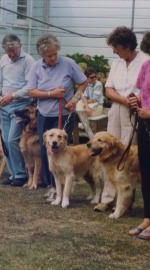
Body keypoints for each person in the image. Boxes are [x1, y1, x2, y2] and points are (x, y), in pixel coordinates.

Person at [95, 26, 149, 212]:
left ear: (126, 46)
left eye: (116, 47)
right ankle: (107, 198)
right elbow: (109, 89)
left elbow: (144, 89)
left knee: (126, 154)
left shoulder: (144, 60)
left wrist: (132, 102)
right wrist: (123, 100)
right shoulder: (117, 63)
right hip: (117, 108)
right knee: (107, 150)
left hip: (134, 111)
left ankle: (125, 199)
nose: (114, 51)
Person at [27, 34, 88, 187]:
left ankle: (63, 185)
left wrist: (74, 100)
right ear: (42, 56)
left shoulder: (68, 63)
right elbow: (31, 91)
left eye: (55, 54)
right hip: (44, 114)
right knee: (45, 150)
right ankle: (51, 185)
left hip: (64, 113)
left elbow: (83, 82)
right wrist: (51, 94)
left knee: (62, 150)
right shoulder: (36, 67)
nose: (53, 58)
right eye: (49, 56)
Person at [0, 33, 35, 186]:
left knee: (13, 139)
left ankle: (21, 174)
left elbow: (30, 86)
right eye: (8, 51)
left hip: (20, 106)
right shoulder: (3, 60)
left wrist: (13, 95)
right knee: (6, 141)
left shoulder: (28, 61)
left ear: (19, 46)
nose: (11, 54)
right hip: (3, 106)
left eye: (13, 50)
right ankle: (14, 175)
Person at [128, 32, 150, 240]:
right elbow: (140, 90)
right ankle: (147, 217)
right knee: (146, 170)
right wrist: (135, 100)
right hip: (144, 124)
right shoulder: (146, 66)